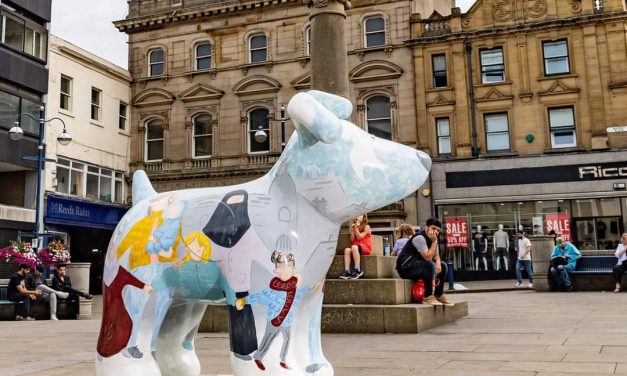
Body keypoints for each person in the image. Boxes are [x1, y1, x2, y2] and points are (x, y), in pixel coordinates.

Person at [396, 217, 452, 305]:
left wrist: (438, 263)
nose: (435, 232)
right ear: (426, 227)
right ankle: (428, 296)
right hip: (406, 268)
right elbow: (428, 257)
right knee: (429, 265)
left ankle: (438, 294)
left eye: (437, 230)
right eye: (433, 228)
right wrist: (434, 242)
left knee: (443, 266)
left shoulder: (432, 239)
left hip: (419, 266)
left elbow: (436, 255)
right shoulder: (420, 238)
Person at [339, 214, 372, 279]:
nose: (357, 216)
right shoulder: (355, 226)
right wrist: (353, 229)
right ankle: (347, 271)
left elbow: (360, 237)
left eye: (359, 215)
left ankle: (358, 270)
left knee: (354, 247)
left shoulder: (367, 227)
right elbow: (352, 239)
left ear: (364, 218)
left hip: (364, 246)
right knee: (347, 250)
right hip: (355, 246)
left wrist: (356, 228)